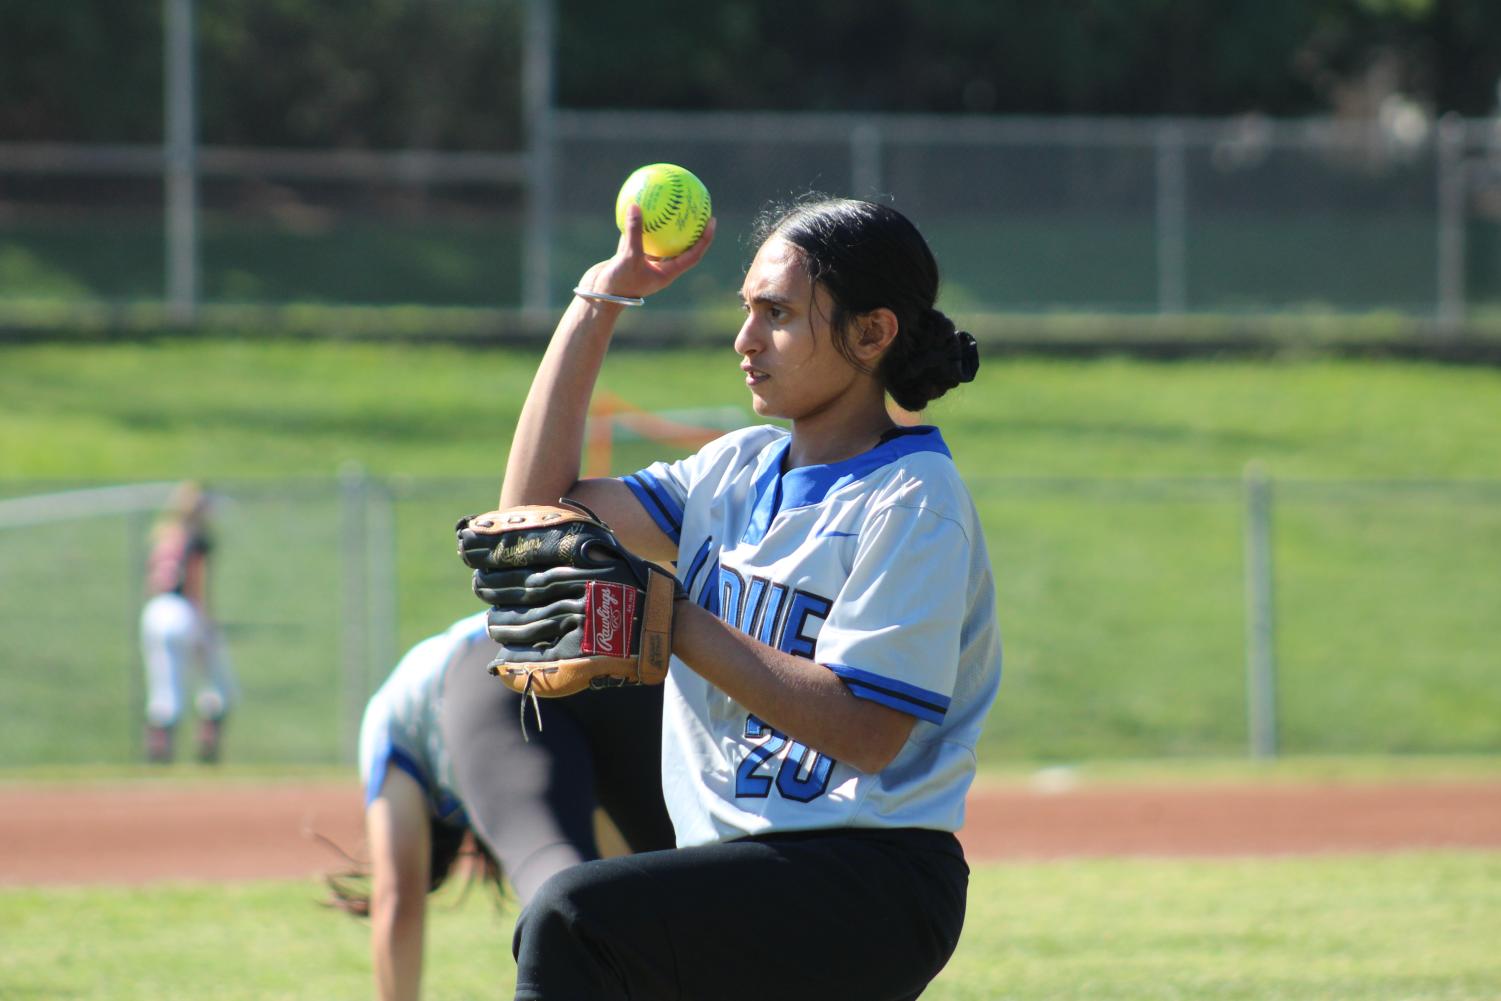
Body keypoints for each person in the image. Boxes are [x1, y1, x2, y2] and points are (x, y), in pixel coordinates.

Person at [494, 195, 1002, 1001]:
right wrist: (598, 300)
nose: (744, 340)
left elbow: (866, 730)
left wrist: (670, 619)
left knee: (576, 919)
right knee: (582, 926)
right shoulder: (730, 468)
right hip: (740, 865)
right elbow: (529, 521)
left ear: (871, 334)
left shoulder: (912, 497)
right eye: (747, 311)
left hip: (871, 878)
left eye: (777, 314)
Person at [330, 610, 675, 1001]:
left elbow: (397, 897)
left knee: (566, 900)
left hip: (496, 668)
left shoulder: (387, 719)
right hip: (603, 637)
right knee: (677, 893)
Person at [139, 480, 237, 764]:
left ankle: (159, 750)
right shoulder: (196, 538)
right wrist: (206, 619)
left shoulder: (161, 534)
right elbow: (196, 581)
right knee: (216, 679)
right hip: (184, 610)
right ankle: (208, 744)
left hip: (155, 611)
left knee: (164, 684)